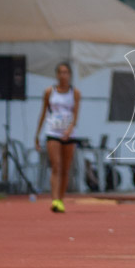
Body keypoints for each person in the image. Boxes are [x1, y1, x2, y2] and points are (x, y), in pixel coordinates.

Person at [35, 62, 81, 214]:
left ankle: (61, 199)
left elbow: (76, 115)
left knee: (66, 169)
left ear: (70, 75)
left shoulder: (75, 93)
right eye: (60, 72)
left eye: (66, 72)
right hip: (53, 132)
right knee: (56, 165)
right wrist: (37, 134)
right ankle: (54, 200)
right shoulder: (50, 92)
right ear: (56, 74)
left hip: (68, 133)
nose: (63, 75)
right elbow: (43, 113)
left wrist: (70, 129)